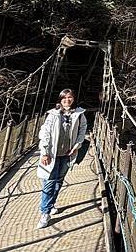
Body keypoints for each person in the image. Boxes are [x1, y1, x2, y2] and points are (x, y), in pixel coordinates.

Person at [36, 88, 87, 229]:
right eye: (64, 98)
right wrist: (44, 152)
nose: (67, 100)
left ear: (74, 98)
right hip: (52, 154)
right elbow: (44, 133)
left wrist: (77, 145)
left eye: (70, 97)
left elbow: (83, 129)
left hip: (67, 154)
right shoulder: (52, 114)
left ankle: (51, 205)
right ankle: (45, 213)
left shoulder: (80, 114)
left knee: (58, 182)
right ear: (60, 99)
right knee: (49, 182)